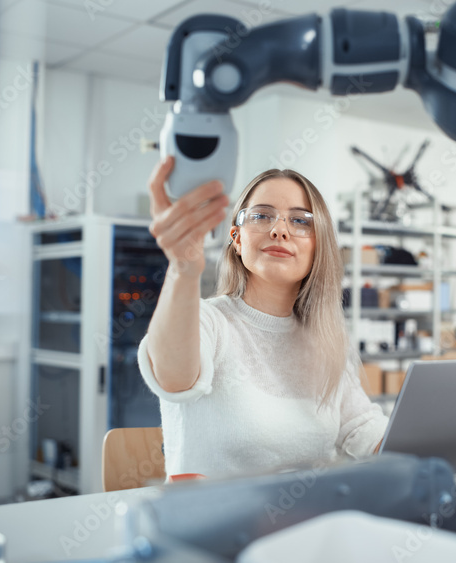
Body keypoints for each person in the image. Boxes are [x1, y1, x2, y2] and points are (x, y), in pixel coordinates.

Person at [137, 156, 388, 480]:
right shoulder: (208, 321)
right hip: (217, 523)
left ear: (318, 247)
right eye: (261, 216)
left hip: (306, 519)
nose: (278, 230)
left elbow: (364, 429)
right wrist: (183, 268)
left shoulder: (326, 338)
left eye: (300, 221)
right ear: (238, 240)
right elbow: (173, 378)